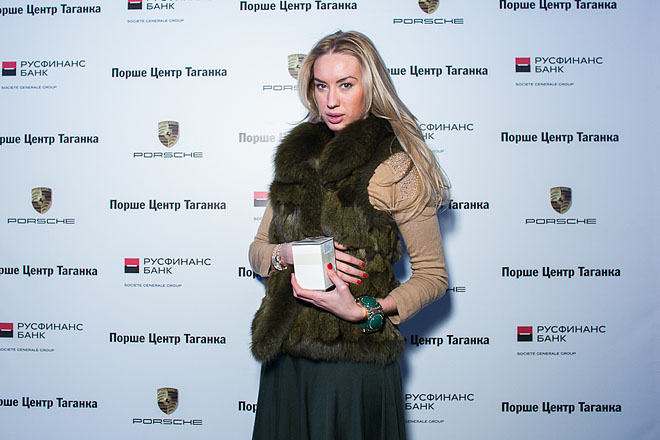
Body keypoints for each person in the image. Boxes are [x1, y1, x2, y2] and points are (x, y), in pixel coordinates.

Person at [248, 30, 449, 440]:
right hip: (286, 360)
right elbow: (258, 250)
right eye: (321, 85)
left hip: (354, 364)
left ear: (370, 87)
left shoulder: (396, 166)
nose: (331, 101)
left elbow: (433, 276)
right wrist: (287, 253)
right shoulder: (296, 157)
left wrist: (363, 310)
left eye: (345, 85)